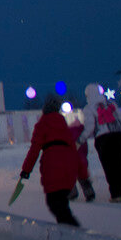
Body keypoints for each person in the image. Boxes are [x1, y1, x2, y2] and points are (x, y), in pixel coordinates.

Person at [20, 95, 85, 226]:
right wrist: (84, 175)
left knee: (55, 204)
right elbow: (75, 152)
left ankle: (74, 233)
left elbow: (34, 150)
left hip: (53, 170)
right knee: (61, 203)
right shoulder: (64, 127)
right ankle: (67, 234)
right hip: (68, 172)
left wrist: (26, 171)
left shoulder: (42, 125)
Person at [79, 83, 121, 202]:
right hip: (118, 136)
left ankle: (117, 195)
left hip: (103, 140)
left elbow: (90, 128)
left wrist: (80, 140)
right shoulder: (111, 104)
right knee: (120, 163)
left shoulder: (89, 108)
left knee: (109, 167)